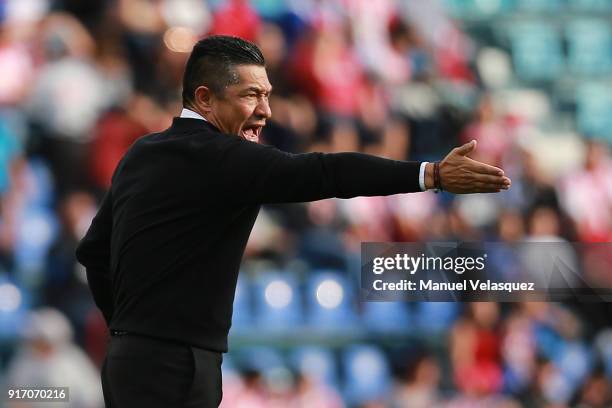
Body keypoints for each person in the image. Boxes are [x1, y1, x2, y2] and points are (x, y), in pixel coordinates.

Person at [75, 35, 511, 408]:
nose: (266, 110)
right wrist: (429, 174)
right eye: (250, 95)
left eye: (267, 94)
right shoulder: (225, 158)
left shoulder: (143, 153)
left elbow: (94, 252)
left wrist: (129, 327)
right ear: (204, 98)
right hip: (178, 365)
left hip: (126, 362)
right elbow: (326, 172)